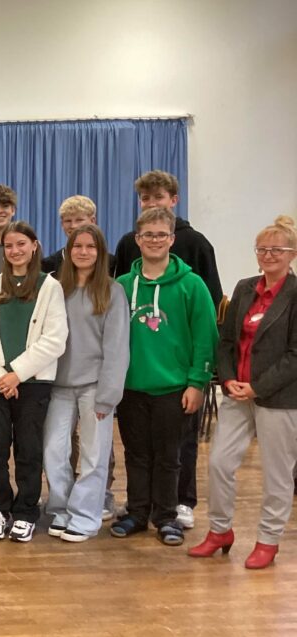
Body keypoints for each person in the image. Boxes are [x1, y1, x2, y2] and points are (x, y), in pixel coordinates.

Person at [113, 171, 223, 528]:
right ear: (137, 239)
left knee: (169, 457)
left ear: (172, 239)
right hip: (131, 387)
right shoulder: (122, 286)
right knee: (137, 454)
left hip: (174, 387)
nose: (154, 241)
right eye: (148, 235)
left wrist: (197, 382)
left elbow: (206, 337)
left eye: (161, 235)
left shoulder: (191, 285)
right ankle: (138, 513)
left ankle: (166, 517)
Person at [189, 222, 297, 569]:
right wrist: (230, 378)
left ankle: (268, 539)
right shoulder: (245, 287)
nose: (268, 256)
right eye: (262, 249)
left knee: (277, 474)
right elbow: (226, 341)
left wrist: (258, 386)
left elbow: (295, 355)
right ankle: (220, 530)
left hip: (278, 397)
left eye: (276, 250)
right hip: (237, 392)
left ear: (291, 255)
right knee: (219, 462)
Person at [0, 221, 68, 543]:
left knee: (29, 450)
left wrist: (17, 373)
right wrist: (1, 377)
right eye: (9, 246)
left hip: (33, 383)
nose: (15, 251)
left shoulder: (49, 287)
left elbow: (55, 339)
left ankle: (26, 510)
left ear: (34, 246)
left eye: (21, 245)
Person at [42, 224, 129, 542]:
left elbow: (117, 347)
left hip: (95, 387)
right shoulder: (53, 287)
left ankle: (87, 515)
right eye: (77, 246)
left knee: (94, 455)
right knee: (54, 450)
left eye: (90, 247)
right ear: (68, 250)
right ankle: (61, 508)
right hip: (58, 386)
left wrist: (108, 395)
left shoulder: (112, 291)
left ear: (100, 252)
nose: (83, 252)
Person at [41, 196, 98, 275]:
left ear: (93, 221)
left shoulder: (111, 263)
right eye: (68, 221)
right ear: (62, 224)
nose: (73, 226)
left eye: (79, 220)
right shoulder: (48, 266)